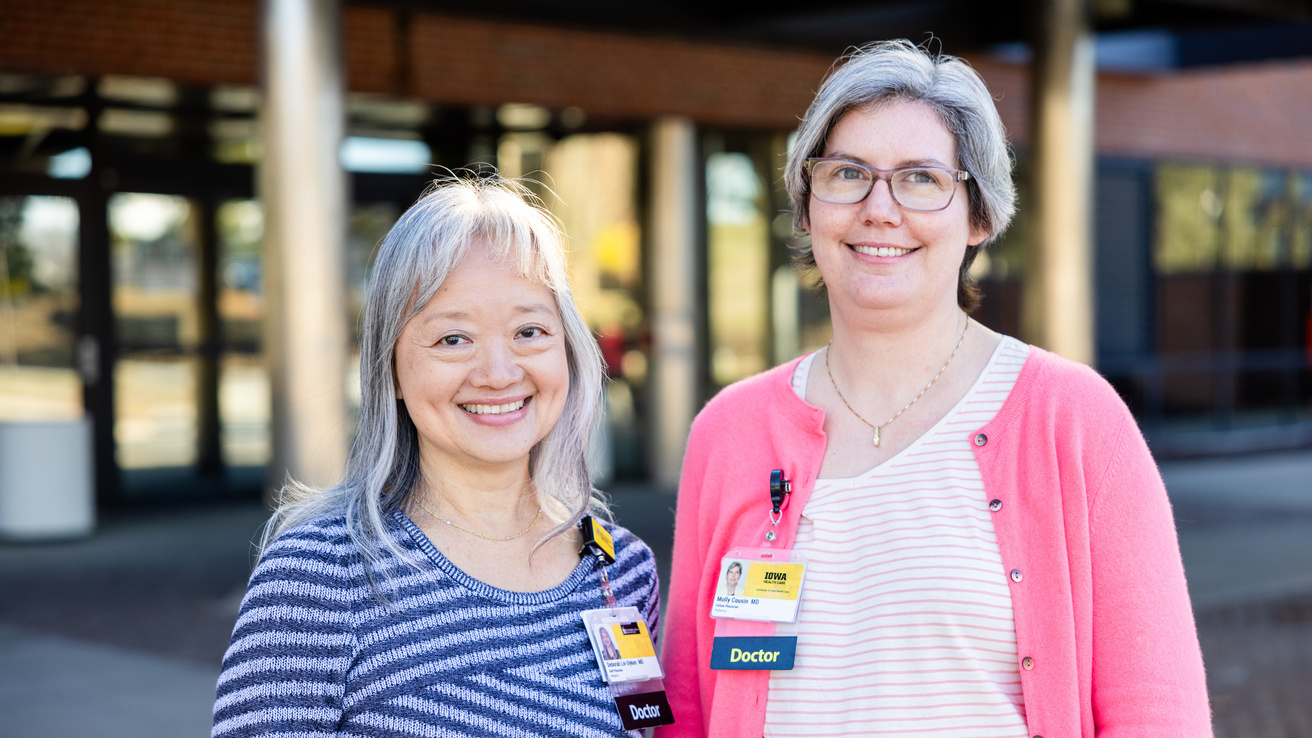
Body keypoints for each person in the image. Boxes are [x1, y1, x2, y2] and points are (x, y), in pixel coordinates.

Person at [657, 40, 1211, 738]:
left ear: (979, 216)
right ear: (807, 205)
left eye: (921, 179)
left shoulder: (1073, 419)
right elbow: (687, 709)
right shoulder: (729, 432)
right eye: (847, 173)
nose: (879, 209)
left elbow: (1157, 716)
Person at [213, 176, 660, 737]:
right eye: (453, 339)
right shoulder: (319, 577)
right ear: (392, 370)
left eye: (529, 331)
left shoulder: (621, 571)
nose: (499, 373)